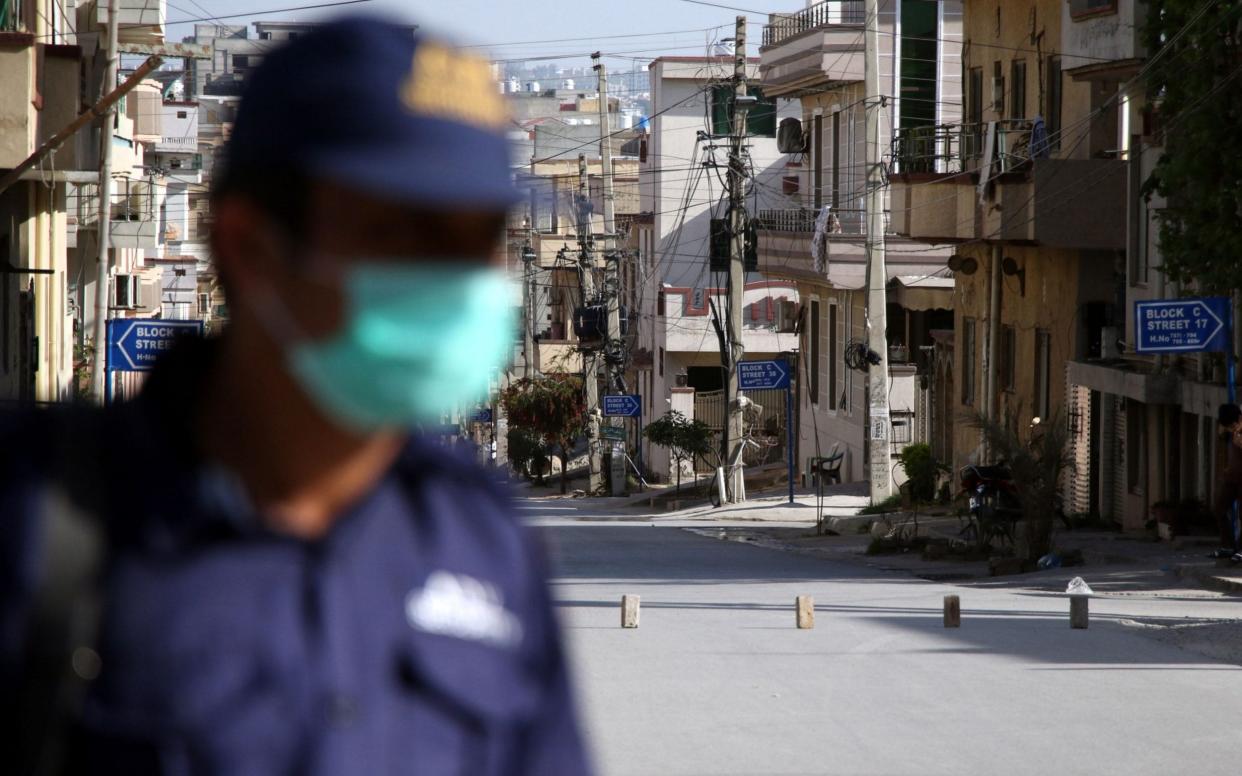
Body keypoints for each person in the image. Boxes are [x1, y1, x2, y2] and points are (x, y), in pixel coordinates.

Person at [0, 17, 591, 775]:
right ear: (250, 248)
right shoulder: (39, 518)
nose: (452, 278)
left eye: (478, 239)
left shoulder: (483, 540)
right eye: (400, 233)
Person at [1213, 403, 1242, 561]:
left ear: (1239, 418)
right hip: (1232, 477)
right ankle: (1228, 546)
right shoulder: (1229, 433)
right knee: (1219, 508)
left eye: (1232, 425)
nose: (1231, 429)